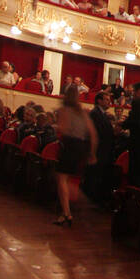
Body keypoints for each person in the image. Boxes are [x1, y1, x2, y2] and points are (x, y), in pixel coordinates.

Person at [54, 85, 97, 225]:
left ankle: (67, 212)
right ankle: (69, 210)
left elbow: (64, 129)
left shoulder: (65, 110)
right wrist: (92, 153)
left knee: (61, 179)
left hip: (70, 145)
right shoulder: (82, 112)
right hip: (81, 146)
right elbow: (93, 134)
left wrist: (56, 126)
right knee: (67, 179)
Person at [84, 90, 115, 206]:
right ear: (99, 101)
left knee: (96, 176)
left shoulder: (101, 114)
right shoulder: (95, 114)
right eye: (107, 100)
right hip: (98, 151)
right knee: (92, 177)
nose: (109, 102)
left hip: (102, 151)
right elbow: (95, 134)